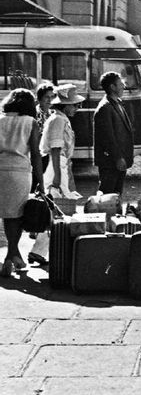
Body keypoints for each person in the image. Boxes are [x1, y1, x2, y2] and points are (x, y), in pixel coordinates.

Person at [29, 84, 84, 266]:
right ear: (65, 105)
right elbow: (55, 149)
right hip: (56, 166)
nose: (77, 108)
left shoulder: (60, 119)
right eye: (74, 105)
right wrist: (58, 177)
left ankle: (39, 250)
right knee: (58, 209)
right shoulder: (58, 120)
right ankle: (47, 250)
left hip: (60, 165)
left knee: (55, 211)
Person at [0, 89, 43, 277]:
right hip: (19, 172)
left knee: (4, 215)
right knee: (15, 215)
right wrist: (40, 181)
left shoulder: (0, 120)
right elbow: (35, 154)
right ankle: (10, 255)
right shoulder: (30, 122)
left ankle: (14, 256)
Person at [93, 72, 134, 195]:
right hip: (111, 161)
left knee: (116, 195)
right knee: (107, 195)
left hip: (118, 160)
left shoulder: (116, 103)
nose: (123, 86)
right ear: (112, 87)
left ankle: (115, 213)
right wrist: (118, 158)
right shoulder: (105, 108)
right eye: (121, 84)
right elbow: (108, 137)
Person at [34, 83, 54, 173]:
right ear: (39, 98)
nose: (50, 100)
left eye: (52, 97)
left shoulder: (52, 114)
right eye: (47, 97)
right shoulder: (35, 113)